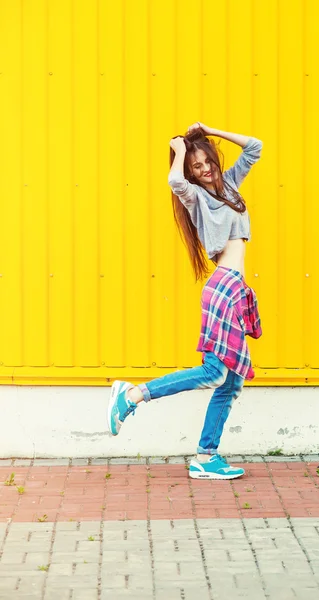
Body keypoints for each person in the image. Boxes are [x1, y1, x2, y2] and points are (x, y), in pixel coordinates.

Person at [107, 122, 263, 480]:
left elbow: (254, 146)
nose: (205, 169)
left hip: (235, 287)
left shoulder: (230, 186)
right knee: (214, 372)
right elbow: (175, 183)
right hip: (223, 284)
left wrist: (209, 131)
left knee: (230, 381)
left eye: (207, 161)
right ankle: (132, 396)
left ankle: (206, 456)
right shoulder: (196, 198)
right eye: (197, 166)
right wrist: (179, 152)